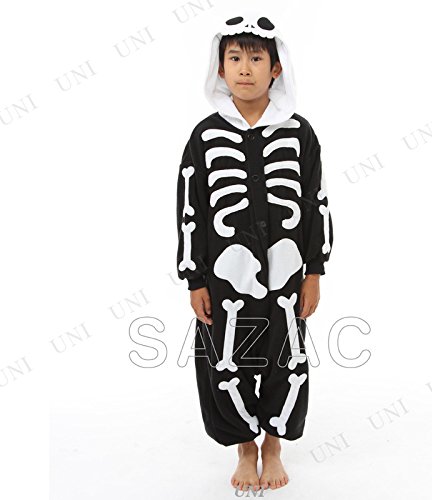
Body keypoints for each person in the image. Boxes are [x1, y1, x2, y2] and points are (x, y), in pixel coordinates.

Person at [175, 10, 333, 492]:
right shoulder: (204, 136)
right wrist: (194, 278)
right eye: (234, 58)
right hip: (224, 277)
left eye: (256, 58)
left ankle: (273, 443)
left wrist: (314, 271)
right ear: (220, 68)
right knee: (226, 362)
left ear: (276, 67)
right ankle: (245, 446)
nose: (245, 68)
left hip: (287, 274)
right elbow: (189, 209)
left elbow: (317, 201)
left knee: (286, 358)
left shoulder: (299, 133)